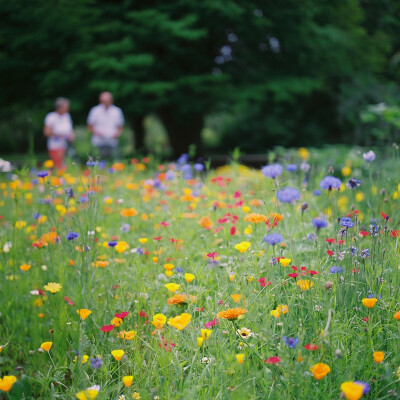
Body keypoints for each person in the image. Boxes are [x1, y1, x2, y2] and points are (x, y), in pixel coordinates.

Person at [87, 92, 125, 159]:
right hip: (98, 141)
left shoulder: (117, 111)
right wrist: (97, 133)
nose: (104, 103)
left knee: (114, 159)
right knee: (97, 160)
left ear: (111, 100)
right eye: (103, 101)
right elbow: (90, 126)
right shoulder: (95, 110)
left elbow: (120, 127)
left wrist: (116, 134)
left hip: (112, 141)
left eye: (106, 101)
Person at [44, 97, 75, 169]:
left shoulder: (67, 116)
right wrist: (62, 136)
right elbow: (46, 132)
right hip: (55, 145)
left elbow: (70, 130)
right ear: (60, 107)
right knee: (57, 165)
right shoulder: (51, 117)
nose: (68, 108)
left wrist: (72, 136)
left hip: (66, 145)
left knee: (65, 165)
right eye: (66, 107)